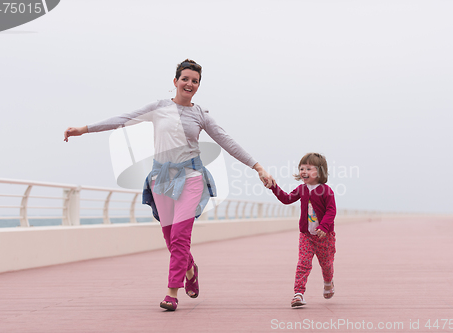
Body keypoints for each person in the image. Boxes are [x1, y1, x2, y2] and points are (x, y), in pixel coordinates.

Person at [64, 59, 275, 311]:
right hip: (161, 179)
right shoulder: (158, 107)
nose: (189, 84)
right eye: (185, 79)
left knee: (180, 236)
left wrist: (257, 167)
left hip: (192, 178)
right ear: (175, 82)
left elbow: (228, 142)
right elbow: (123, 118)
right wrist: (84, 129)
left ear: (198, 86)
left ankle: (171, 293)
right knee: (169, 237)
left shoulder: (201, 115)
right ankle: (190, 269)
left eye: (194, 81)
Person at [268, 153, 336, 307]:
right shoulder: (302, 189)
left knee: (326, 264)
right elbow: (286, 198)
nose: (304, 171)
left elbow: (331, 211)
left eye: (308, 168)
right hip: (306, 236)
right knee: (303, 263)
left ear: (320, 172)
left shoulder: (326, 191)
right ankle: (298, 293)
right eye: (301, 168)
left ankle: (328, 281)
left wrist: (324, 227)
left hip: (325, 237)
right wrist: (274, 186)